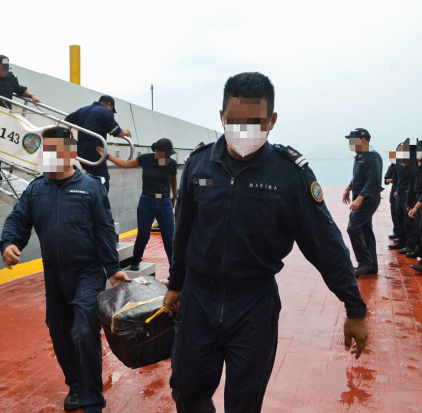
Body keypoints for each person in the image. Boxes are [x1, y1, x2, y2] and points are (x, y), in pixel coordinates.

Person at [163, 72, 368, 413]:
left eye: (254, 122)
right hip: (198, 299)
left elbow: (324, 242)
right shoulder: (198, 166)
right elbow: (182, 229)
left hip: (253, 304)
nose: (243, 131)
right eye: (235, 121)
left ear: (272, 121)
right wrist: (176, 283)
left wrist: (354, 307)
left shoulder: (289, 174)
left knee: (245, 403)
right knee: (187, 392)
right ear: (222, 118)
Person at [0, 126, 130, 413]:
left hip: (87, 272)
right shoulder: (36, 190)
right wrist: (9, 243)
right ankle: (75, 385)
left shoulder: (91, 188)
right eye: (47, 151)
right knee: (58, 331)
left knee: (84, 331)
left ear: (70, 153)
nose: (51, 157)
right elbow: (18, 221)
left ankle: (92, 400)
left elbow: (105, 230)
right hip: (54, 275)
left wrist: (112, 268)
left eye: (57, 151)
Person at [96, 138, 178, 270]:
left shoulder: (171, 164)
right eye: (165, 154)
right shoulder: (145, 159)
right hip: (147, 202)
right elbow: (125, 164)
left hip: (165, 203)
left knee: (169, 238)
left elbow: (173, 178)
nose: (167, 157)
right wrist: (107, 156)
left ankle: (174, 268)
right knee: (143, 235)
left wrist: (174, 195)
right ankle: (136, 259)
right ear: (156, 151)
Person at [0, 55, 41, 180]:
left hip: (4, 117)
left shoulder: (10, 77)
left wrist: (31, 96)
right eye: (2, 69)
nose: (5, 72)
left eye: (6, 69)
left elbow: (19, 89)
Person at [65, 95, 132, 192]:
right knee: (103, 181)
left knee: (90, 179)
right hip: (96, 153)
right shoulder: (106, 112)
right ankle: (101, 205)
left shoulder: (83, 110)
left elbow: (67, 120)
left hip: (80, 152)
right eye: (112, 108)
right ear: (109, 104)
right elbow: (117, 132)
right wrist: (125, 132)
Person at [343, 128, 384, 276]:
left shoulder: (373, 158)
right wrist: (348, 188)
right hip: (361, 198)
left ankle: (365, 263)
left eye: (353, 140)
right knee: (365, 229)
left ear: (364, 140)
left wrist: (359, 199)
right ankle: (372, 266)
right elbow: (359, 178)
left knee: (353, 227)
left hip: (368, 200)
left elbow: (372, 181)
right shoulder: (359, 156)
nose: (350, 143)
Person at [389, 140, 416, 255]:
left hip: (408, 195)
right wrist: (396, 190)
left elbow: (414, 180)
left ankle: (411, 245)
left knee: (408, 220)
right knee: (399, 218)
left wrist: (411, 191)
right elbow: (396, 179)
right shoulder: (399, 164)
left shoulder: (412, 164)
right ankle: (402, 240)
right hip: (399, 194)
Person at [407, 140, 422, 271]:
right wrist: (408, 202)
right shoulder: (415, 166)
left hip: (421, 201)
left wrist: (416, 207)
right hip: (417, 198)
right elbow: (412, 186)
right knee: (419, 229)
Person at [384, 162, 397, 240]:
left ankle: (402, 235)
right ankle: (396, 231)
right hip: (394, 189)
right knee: (394, 212)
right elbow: (385, 180)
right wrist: (390, 180)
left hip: (402, 190)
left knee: (402, 215)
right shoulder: (392, 166)